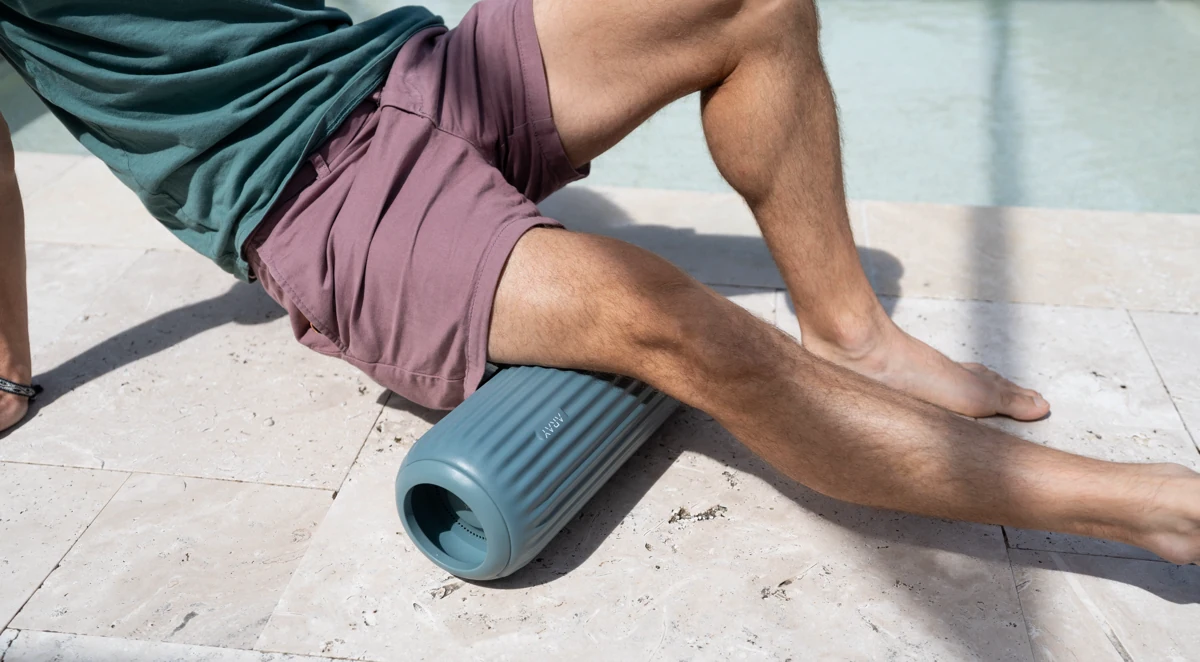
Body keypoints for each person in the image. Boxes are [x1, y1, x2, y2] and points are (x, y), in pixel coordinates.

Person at [1, 0, 1197, 564]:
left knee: (756, 3)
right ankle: (1150, 507)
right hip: (311, 193)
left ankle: (853, 333)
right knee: (669, 321)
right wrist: (8, 370)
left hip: (405, 70)